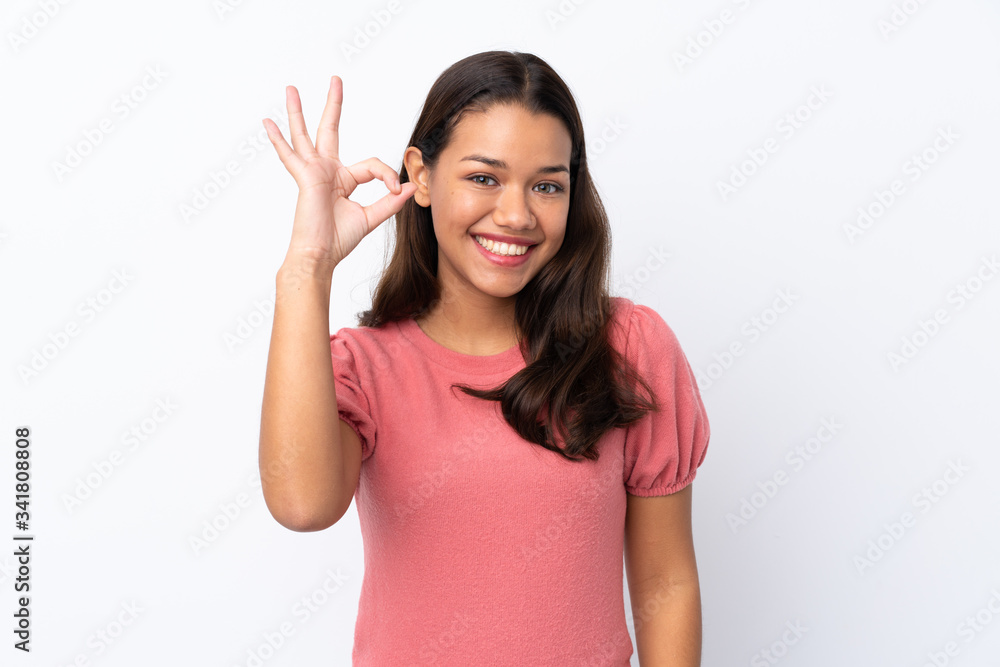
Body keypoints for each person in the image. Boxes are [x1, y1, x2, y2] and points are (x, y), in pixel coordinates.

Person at [258, 50, 711, 666]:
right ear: (419, 174)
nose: (517, 214)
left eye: (547, 185)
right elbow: (302, 505)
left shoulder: (628, 347)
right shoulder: (362, 369)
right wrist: (307, 268)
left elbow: (666, 582)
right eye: (484, 178)